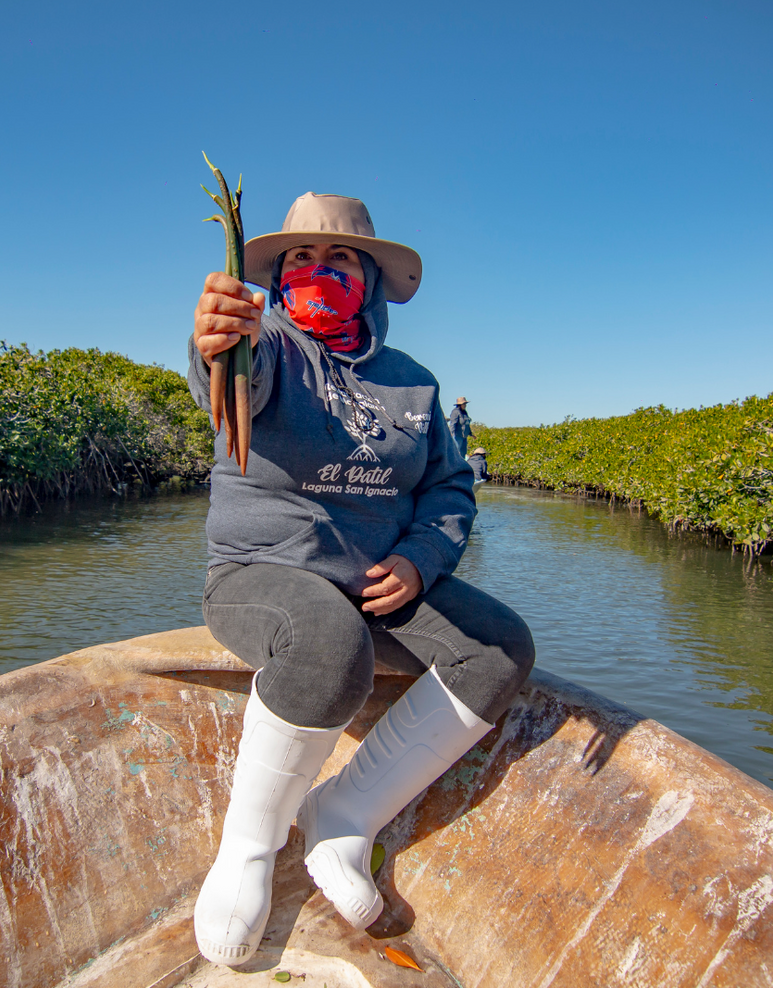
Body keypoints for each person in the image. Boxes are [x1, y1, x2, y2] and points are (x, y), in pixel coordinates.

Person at [187, 192, 535, 966]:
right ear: (275, 279)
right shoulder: (264, 343)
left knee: (502, 646)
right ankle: (248, 849)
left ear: (372, 280)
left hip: (382, 583)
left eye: (339, 258)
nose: (317, 271)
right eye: (299, 260)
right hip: (263, 574)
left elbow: (447, 489)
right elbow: (226, 376)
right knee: (323, 636)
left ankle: (345, 814)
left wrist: (420, 560)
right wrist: (214, 340)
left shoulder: (416, 384)